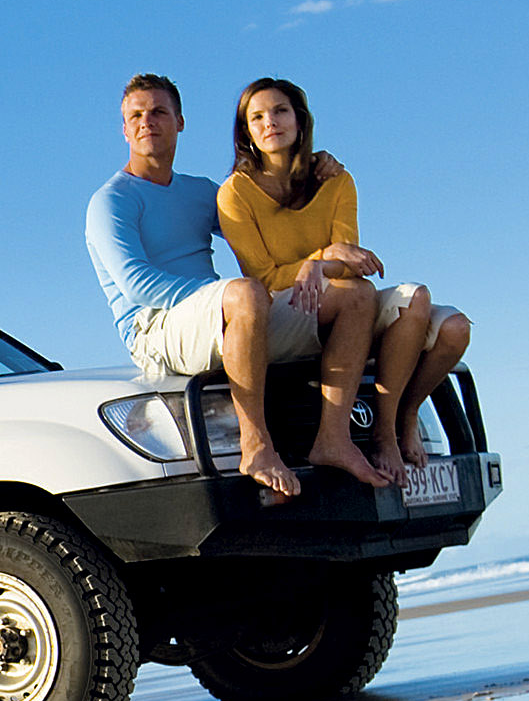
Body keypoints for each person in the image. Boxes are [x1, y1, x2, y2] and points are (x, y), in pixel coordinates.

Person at [86, 73, 383, 501]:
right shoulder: (111, 200)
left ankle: (334, 438)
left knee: (354, 296)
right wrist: (230, 301)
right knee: (246, 293)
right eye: (136, 115)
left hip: (225, 315)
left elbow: (267, 215)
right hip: (154, 330)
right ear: (124, 129)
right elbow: (137, 286)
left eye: (158, 112)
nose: (147, 122)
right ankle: (256, 447)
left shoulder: (205, 192)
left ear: (180, 122)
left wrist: (312, 168)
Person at [215, 78, 472, 482]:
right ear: (245, 132)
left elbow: (352, 260)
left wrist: (325, 264)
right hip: (283, 306)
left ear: (300, 119)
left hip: (340, 293)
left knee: (441, 318)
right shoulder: (235, 194)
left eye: (280, 111)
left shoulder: (335, 179)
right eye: (257, 117)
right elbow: (263, 276)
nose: (270, 123)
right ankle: (333, 439)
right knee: (358, 294)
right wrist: (319, 259)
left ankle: (394, 425)